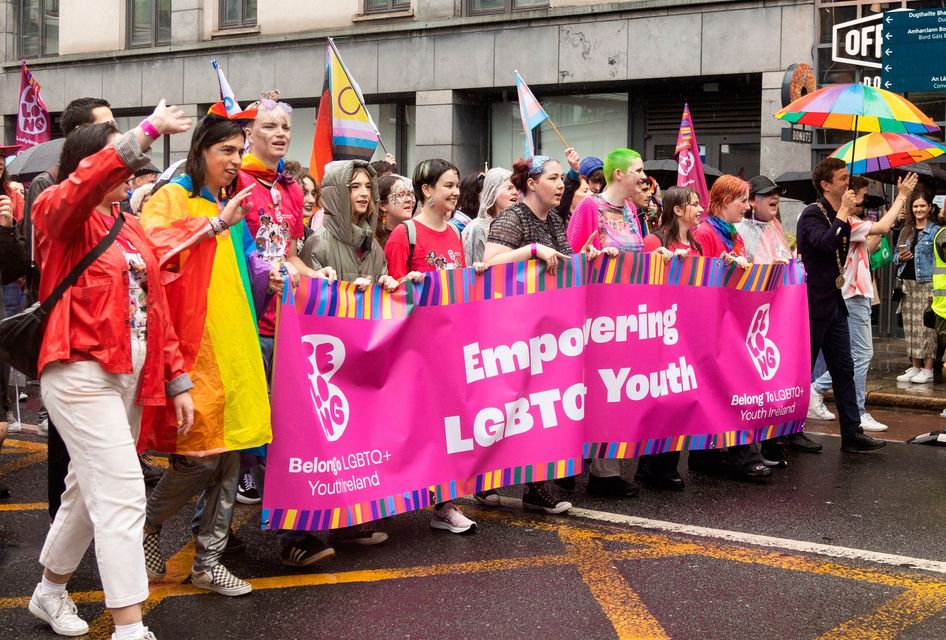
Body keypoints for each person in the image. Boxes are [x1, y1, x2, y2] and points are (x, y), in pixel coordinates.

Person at [28, 102, 193, 640]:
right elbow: (78, 189)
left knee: (85, 490)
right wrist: (145, 131)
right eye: (116, 157)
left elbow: (157, 310)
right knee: (123, 492)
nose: (129, 167)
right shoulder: (57, 211)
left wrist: (176, 380)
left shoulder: (127, 225)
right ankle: (129, 627)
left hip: (129, 376)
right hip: (78, 373)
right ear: (89, 163)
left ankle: (49, 591)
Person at [138, 102, 286, 597]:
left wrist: (278, 276)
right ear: (199, 150)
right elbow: (155, 250)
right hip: (194, 348)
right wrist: (216, 225)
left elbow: (246, 270)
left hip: (235, 341)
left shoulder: (232, 205)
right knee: (198, 457)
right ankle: (147, 526)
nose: (234, 160)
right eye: (226, 150)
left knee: (231, 457)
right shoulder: (170, 197)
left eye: (239, 152)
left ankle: (209, 560)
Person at [481, 154, 607, 513]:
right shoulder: (512, 217)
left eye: (561, 179)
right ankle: (485, 477)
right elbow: (490, 263)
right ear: (532, 184)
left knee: (539, 407)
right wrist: (533, 250)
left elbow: (567, 263)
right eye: (553, 178)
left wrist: (593, 256)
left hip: (546, 332)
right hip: (509, 329)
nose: (561, 185)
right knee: (505, 406)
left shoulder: (553, 219)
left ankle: (535, 486)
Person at [23, 97, 116, 521]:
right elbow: (44, 255)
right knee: (68, 444)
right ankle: (60, 519)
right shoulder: (50, 188)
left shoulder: (114, 197)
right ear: (82, 137)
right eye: (107, 129)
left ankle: (66, 546)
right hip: (71, 332)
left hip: (108, 340)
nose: (118, 140)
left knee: (96, 464)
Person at [384, 158, 480, 533]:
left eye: (457, 185)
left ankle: (444, 505)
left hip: (450, 347)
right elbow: (391, 296)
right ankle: (390, 495)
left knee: (448, 427)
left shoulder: (456, 233)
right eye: (448, 185)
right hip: (415, 351)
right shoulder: (404, 234)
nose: (456, 192)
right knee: (411, 428)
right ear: (427, 191)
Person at [810, 173, 918, 433]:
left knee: (851, 356)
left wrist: (880, 228)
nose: (865, 196)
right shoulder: (844, 221)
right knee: (860, 354)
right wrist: (901, 196)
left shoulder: (851, 221)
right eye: (863, 191)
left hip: (858, 292)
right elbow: (880, 228)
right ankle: (850, 408)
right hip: (853, 293)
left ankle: (817, 392)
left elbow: (868, 247)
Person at [796, 157, 885, 453]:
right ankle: (790, 431)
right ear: (826, 185)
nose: (849, 183)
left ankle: (852, 433)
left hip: (834, 303)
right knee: (802, 370)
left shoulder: (841, 216)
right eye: (843, 178)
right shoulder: (812, 214)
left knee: (844, 368)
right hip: (811, 303)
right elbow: (825, 244)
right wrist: (843, 213)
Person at [689, 175, 774, 480]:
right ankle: (743, 455)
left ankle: (714, 454)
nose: (746, 206)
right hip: (712, 323)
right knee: (734, 386)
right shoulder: (706, 233)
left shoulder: (732, 234)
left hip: (730, 320)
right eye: (742, 200)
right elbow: (701, 277)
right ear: (725, 201)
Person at [635, 186, 703, 490]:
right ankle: (650, 464)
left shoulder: (698, 247)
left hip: (689, 331)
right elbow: (642, 286)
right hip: (660, 332)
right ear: (677, 210)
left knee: (682, 398)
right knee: (661, 400)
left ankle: (667, 463)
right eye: (695, 204)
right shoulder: (655, 241)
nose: (701, 209)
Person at [893, 190, 941, 384]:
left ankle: (928, 369)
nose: (919, 209)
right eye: (915, 206)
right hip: (907, 284)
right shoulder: (906, 230)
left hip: (927, 283)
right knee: (911, 327)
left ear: (929, 207)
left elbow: (940, 261)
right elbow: (895, 256)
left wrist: (935, 288)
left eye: (922, 206)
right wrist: (900, 257)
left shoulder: (936, 230)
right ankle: (915, 366)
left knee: (927, 328)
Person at [462, 167, 518, 264]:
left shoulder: (519, 225)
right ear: (492, 192)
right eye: (509, 188)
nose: (515, 192)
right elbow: (473, 266)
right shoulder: (477, 228)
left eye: (517, 188)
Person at [739, 176, 793, 264]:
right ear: (752, 201)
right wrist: (771, 269)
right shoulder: (742, 228)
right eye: (768, 193)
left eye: (777, 192)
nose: (775, 196)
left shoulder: (775, 223)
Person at [375, 173, 414, 248]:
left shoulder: (415, 234)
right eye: (401, 195)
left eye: (409, 194)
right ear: (382, 205)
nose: (409, 200)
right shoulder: (372, 241)